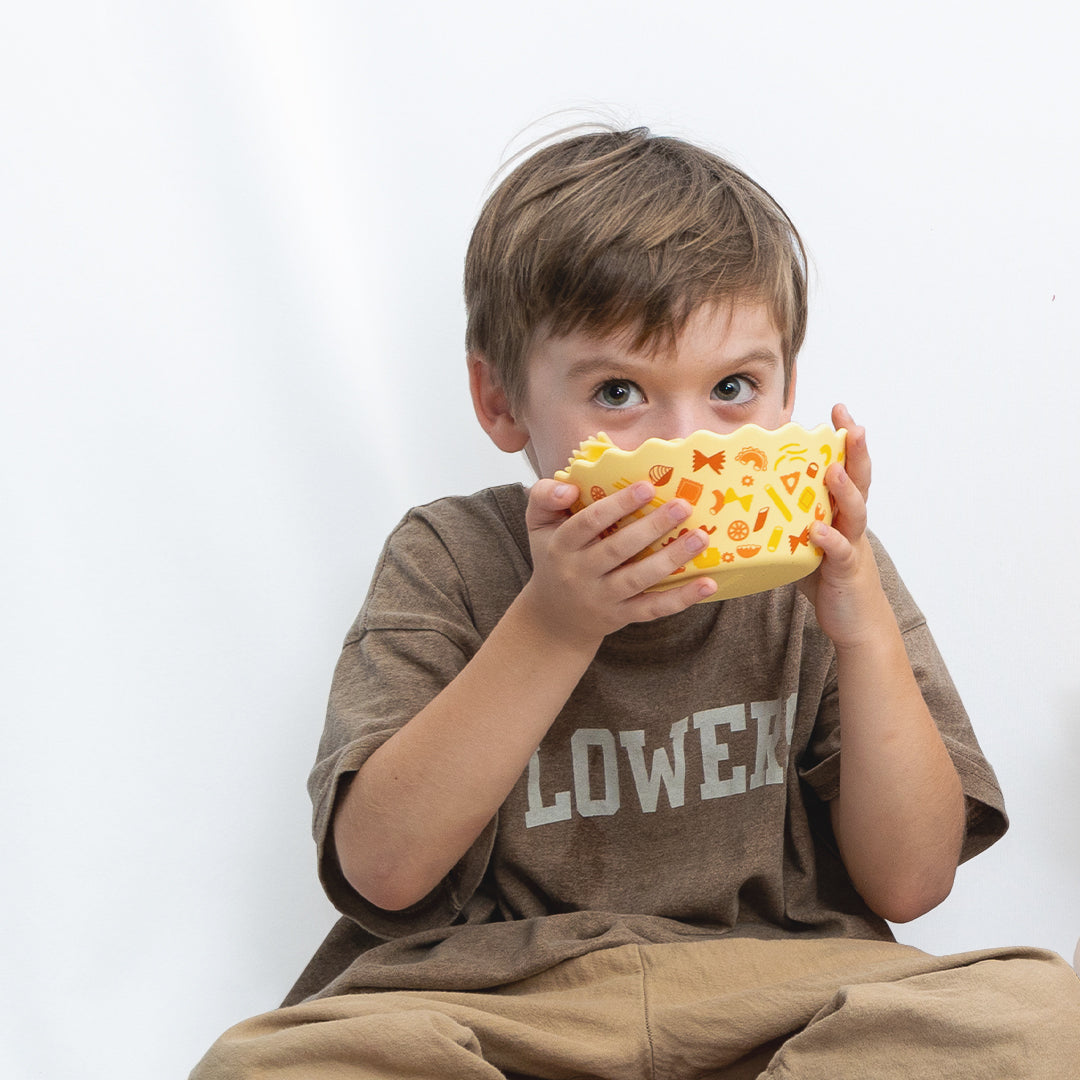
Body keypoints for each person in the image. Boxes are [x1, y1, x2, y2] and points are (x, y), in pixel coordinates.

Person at [191, 127, 1080, 1078]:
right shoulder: (446, 557)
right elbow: (385, 870)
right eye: (620, 392)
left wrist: (860, 631)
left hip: (778, 996)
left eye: (734, 387)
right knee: (266, 1067)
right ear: (500, 403)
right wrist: (554, 623)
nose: (689, 445)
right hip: (502, 1008)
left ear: (788, 389)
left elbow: (910, 882)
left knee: (1042, 1015)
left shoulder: (827, 569)